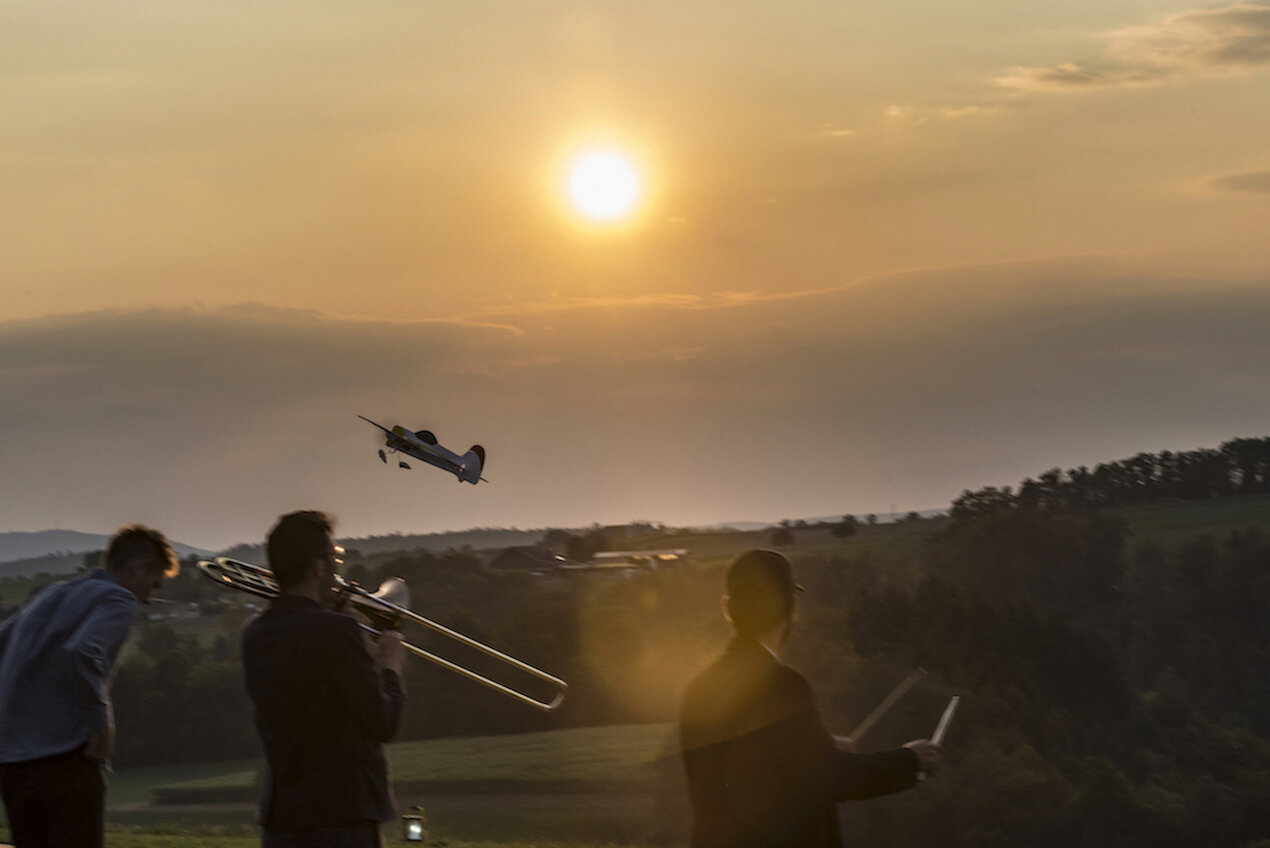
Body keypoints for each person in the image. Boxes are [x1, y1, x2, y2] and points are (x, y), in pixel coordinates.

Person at [679, 549, 942, 848]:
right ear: (790, 608)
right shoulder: (783, 685)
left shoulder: (698, 689)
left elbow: (754, 764)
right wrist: (910, 760)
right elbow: (831, 777)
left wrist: (820, 746)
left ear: (728, 608)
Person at [0, 525, 179, 848]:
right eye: (152, 587)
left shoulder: (50, 595)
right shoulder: (118, 599)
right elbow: (83, 652)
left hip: (13, 767)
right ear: (138, 567)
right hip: (66, 763)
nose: (148, 600)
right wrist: (101, 724)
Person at [242, 510, 406, 848]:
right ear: (318, 567)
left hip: (283, 820)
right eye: (334, 559)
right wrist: (389, 666)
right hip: (340, 819)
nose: (337, 570)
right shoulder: (336, 632)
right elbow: (383, 722)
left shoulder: (254, 633)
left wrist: (331, 617)